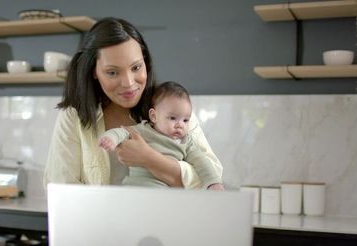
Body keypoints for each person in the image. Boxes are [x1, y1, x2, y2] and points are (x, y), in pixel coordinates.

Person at [44, 17, 224, 190]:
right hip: (100, 221)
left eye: (136, 67)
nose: (129, 83)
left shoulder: (172, 109)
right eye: (113, 72)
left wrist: (149, 158)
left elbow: (212, 177)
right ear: (94, 72)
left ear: (145, 62)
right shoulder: (73, 116)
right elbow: (60, 189)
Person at [98, 81, 223, 189]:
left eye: (185, 120)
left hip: (164, 194)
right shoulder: (144, 130)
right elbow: (122, 132)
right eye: (173, 118)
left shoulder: (186, 143)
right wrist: (111, 139)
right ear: (153, 116)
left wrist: (213, 183)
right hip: (134, 188)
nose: (180, 125)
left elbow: (203, 162)